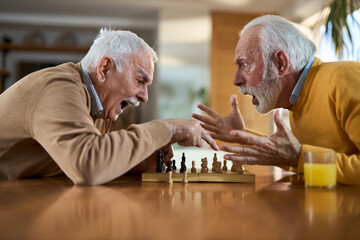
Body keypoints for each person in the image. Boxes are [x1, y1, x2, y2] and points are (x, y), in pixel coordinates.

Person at [0, 28, 218, 185]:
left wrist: (143, 159)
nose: (144, 97)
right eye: (140, 81)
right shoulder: (59, 87)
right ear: (104, 68)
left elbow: (83, 159)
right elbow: (88, 165)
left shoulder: (97, 107)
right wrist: (167, 128)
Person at [193, 15, 360, 186]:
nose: (236, 80)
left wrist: (299, 157)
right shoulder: (297, 100)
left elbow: (301, 159)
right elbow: (299, 161)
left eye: (244, 64)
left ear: (280, 63)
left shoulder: (342, 79)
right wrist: (243, 135)